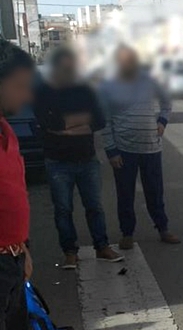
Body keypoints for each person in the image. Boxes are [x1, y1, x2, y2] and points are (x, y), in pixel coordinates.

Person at [34, 47, 123, 270]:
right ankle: (70, 253)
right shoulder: (43, 92)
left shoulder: (85, 90)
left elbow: (99, 121)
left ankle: (102, 247)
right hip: (57, 162)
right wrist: (79, 123)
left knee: (95, 206)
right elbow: (50, 125)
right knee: (63, 209)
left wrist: (66, 126)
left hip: (87, 159)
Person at [100, 45, 178, 249]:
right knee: (125, 194)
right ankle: (127, 233)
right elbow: (105, 120)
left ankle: (163, 228)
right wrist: (111, 150)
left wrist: (162, 120)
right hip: (124, 150)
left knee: (155, 192)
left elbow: (167, 102)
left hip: (151, 148)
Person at [0, 42, 35, 330]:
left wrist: (21, 249)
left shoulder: (6, 129)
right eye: (20, 85)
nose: (27, 96)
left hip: (10, 262)